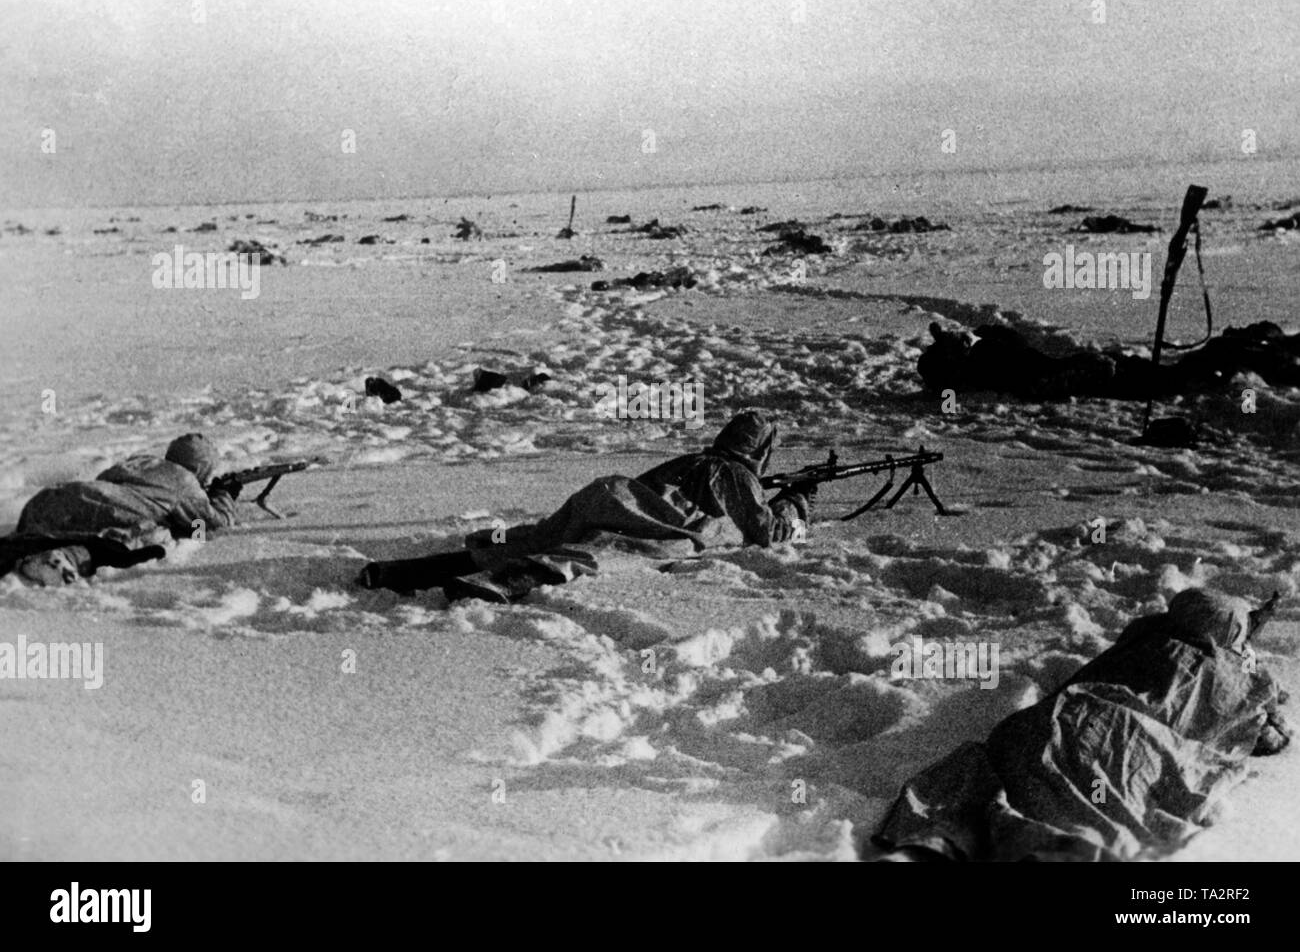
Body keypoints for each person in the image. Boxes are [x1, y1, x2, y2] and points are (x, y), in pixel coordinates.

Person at [872, 587, 1291, 862]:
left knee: (995, 783)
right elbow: (1267, 736)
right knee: (1090, 803)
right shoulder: (1228, 675)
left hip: (1042, 724)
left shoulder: (1142, 637)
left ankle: (937, 844)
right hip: (1123, 737)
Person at [357, 408, 816, 603]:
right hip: (651, 524)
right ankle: (498, 582)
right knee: (601, 554)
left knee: (533, 537)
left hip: (609, 495)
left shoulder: (698, 459)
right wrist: (795, 506)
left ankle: (402, 572)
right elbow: (764, 533)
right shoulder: (736, 474)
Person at [1, 433, 240, 587]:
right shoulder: (186, 483)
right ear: (200, 469)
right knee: (152, 536)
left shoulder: (140, 462)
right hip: (102, 514)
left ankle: (18, 552)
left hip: (53, 498)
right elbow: (214, 523)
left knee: (32, 537)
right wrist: (224, 495)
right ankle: (65, 558)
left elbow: (107, 479)